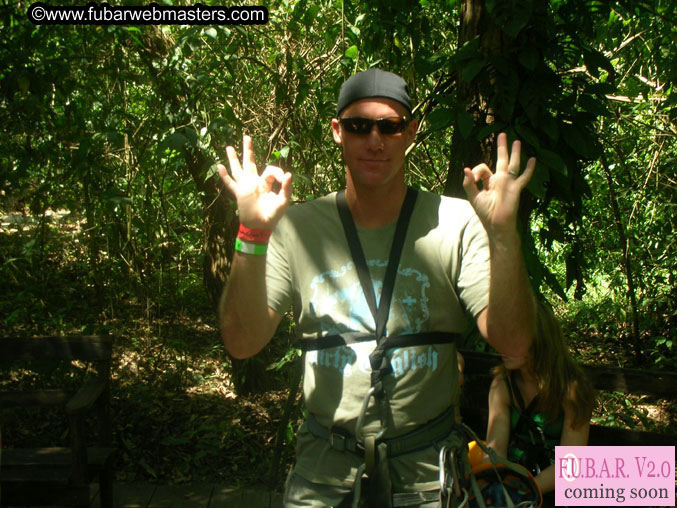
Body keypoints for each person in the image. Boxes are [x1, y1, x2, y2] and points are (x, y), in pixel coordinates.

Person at [218, 68, 537, 507]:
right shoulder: (296, 227)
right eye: (358, 126)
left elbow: (515, 343)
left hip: (428, 477)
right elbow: (241, 341)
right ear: (337, 132)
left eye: (389, 126)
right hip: (324, 474)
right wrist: (251, 232)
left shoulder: (458, 222)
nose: (374, 140)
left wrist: (502, 233)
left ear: (410, 132)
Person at [485, 302, 596, 507]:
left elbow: (571, 466)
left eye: (512, 337)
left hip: (559, 486)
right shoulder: (502, 384)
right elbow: (495, 452)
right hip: (516, 480)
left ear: (537, 340)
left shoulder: (571, 388)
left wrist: (526, 492)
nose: (502, 345)